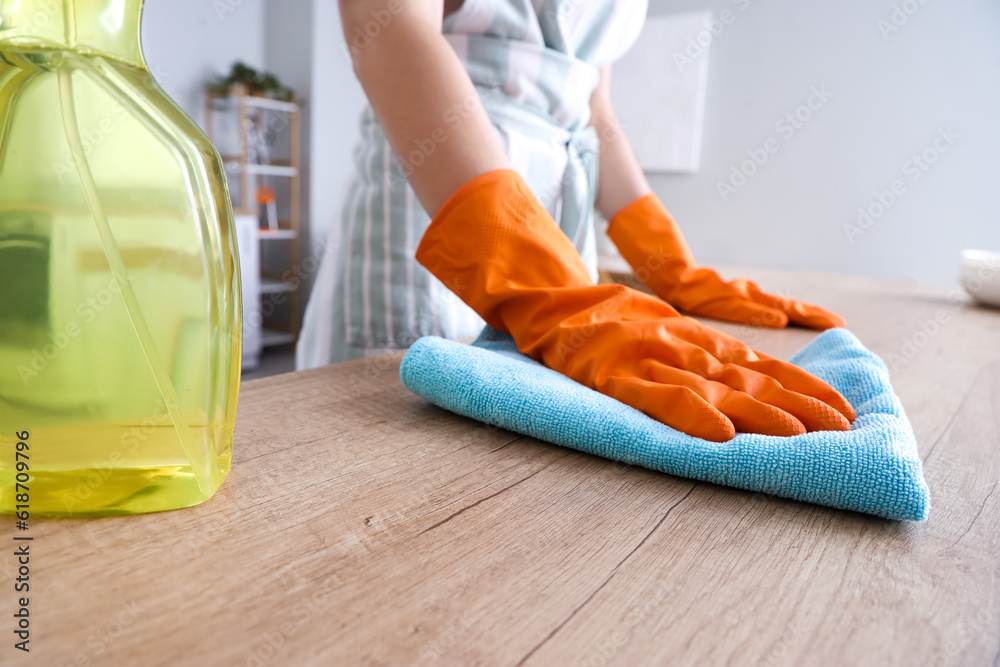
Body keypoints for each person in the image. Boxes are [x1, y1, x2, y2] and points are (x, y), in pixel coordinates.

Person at [297, 0, 856, 441]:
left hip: (559, 231)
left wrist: (667, 263)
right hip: (438, 197)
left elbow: (593, 110)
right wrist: (539, 282)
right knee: (397, 458)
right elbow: (385, 21)